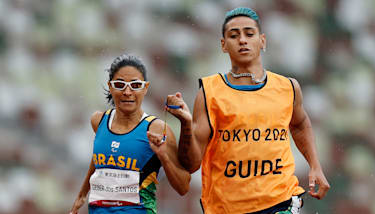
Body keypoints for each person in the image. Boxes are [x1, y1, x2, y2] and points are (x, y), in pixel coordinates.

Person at [164, 7, 330, 214]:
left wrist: (315, 165)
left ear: (262, 41)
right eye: (234, 36)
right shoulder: (210, 92)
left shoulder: (288, 87)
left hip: (280, 201)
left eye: (249, 34)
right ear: (223, 45)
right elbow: (191, 164)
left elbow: (300, 124)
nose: (242, 40)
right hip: (227, 207)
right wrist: (186, 124)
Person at [69, 54, 191, 214]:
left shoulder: (157, 129)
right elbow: (100, 160)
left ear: (145, 88)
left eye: (135, 85)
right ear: (110, 87)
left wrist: (164, 158)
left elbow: (183, 187)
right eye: (120, 84)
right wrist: (81, 195)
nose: (127, 92)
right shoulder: (98, 121)